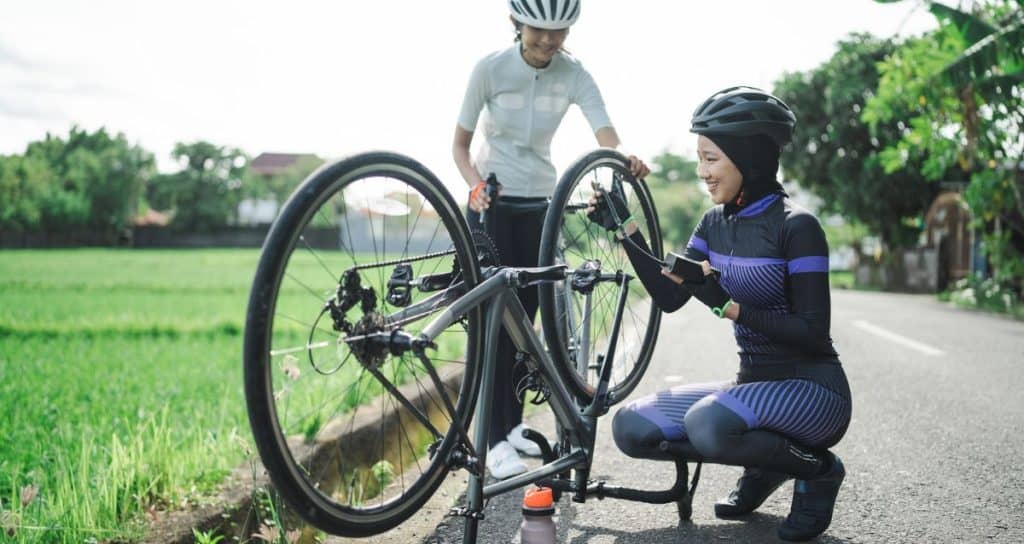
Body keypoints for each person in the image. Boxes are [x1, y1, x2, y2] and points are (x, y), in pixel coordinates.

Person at [589, 86, 852, 542]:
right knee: (630, 427)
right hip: (750, 384)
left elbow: (812, 333)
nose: (702, 173)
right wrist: (624, 229)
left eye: (711, 159)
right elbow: (672, 297)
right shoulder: (714, 223)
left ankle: (820, 470)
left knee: (708, 424)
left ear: (747, 157)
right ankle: (767, 464)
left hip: (813, 391)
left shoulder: (798, 227)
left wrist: (727, 304)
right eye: (700, 159)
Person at [453, 0, 650, 480]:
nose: (546, 41)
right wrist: (475, 186)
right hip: (492, 201)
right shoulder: (490, 69)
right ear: (517, 23)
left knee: (529, 322)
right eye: (537, 30)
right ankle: (492, 438)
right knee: (496, 322)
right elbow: (458, 145)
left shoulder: (574, 73)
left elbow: (606, 134)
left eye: (558, 32)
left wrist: (626, 158)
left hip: (542, 200)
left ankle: (514, 426)